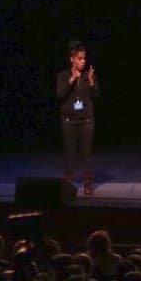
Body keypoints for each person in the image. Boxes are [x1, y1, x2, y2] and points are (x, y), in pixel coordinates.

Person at [55, 40, 99, 195]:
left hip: (86, 120)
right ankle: (68, 182)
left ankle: (87, 182)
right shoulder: (63, 76)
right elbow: (60, 95)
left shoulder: (89, 75)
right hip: (69, 120)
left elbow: (96, 95)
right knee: (69, 152)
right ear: (72, 59)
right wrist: (72, 80)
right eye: (80, 59)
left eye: (84, 59)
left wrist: (92, 83)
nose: (83, 62)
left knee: (86, 152)